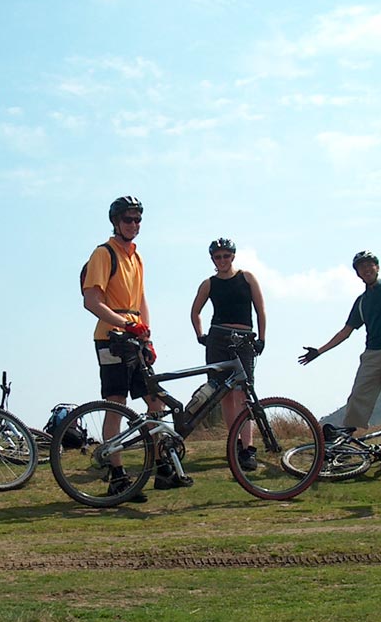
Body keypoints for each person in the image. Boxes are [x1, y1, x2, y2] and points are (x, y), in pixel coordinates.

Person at [82, 195, 190, 500]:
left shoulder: (137, 256)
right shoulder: (104, 254)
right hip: (111, 338)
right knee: (116, 405)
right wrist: (126, 324)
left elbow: (141, 300)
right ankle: (117, 476)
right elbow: (92, 301)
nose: (134, 225)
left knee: (154, 401)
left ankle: (163, 468)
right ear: (116, 222)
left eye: (138, 219)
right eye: (128, 219)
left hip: (135, 335)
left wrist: (146, 337)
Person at [298, 251, 381, 459]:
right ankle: (344, 446)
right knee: (358, 397)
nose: (367, 270)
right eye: (362, 267)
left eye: (370, 265)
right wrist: (319, 351)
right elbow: (346, 332)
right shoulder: (361, 301)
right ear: (357, 274)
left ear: (377, 267)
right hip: (372, 354)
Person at [190, 238, 267, 470]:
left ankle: (248, 448)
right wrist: (200, 335)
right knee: (224, 394)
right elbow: (195, 312)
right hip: (218, 339)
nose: (222, 260)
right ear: (213, 259)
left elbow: (260, 310)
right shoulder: (209, 283)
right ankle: (234, 442)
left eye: (226, 256)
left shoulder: (247, 277)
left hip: (243, 338)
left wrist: (262, 338)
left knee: (244, 392)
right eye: (217, 257)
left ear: (233, 256)